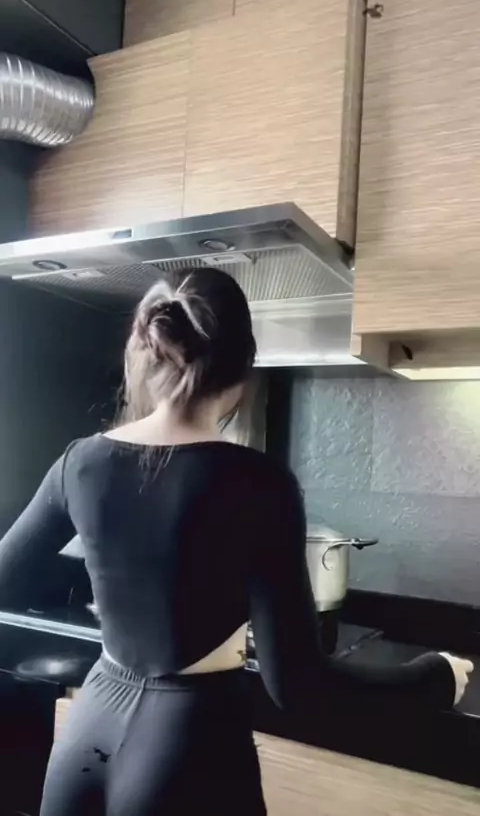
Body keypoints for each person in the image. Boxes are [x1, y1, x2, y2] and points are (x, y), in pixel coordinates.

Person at [0, 268, 472, 816]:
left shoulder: (80, 461)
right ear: (243, 368)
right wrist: (433, 678)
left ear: (149, 354)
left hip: (86, 736)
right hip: (189, 745)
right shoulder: (259, 483)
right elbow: (298, 687)